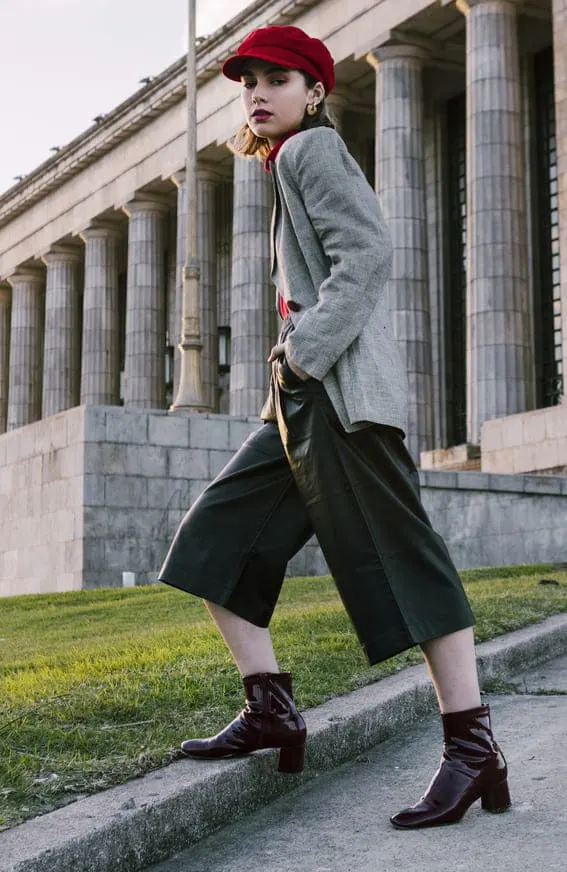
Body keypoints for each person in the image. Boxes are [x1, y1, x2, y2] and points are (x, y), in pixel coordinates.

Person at [158, 25, 511, 829]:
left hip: (341, 397)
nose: (256, 92)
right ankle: (270, 709)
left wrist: (303, 353)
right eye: (247, 80)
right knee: (215, 542)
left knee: (406, 566)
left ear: (314, 91)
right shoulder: (284, 163)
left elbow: (369, 254)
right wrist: (292, 371)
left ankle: (471, 748)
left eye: (276, 79)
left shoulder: (312, 151)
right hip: (302, 402)